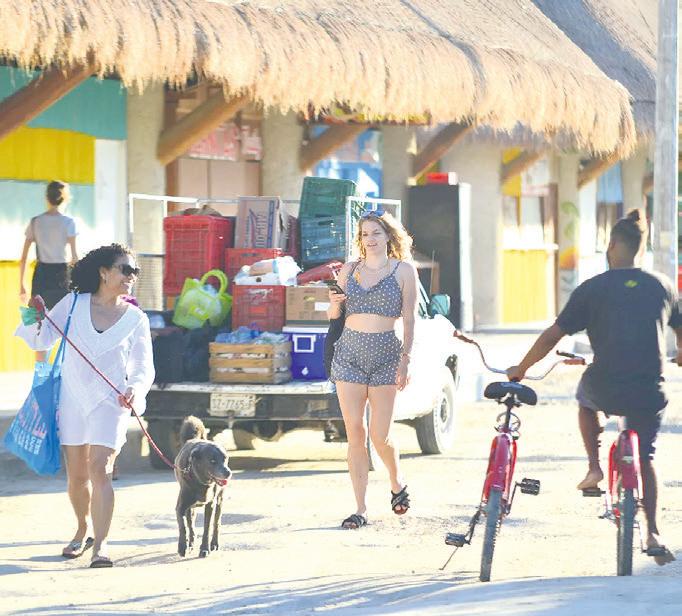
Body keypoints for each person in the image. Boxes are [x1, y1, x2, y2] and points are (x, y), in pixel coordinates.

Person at [507, 210, 679, 565]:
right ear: (641, 248)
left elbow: (552, 336)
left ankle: (594, 467)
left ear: (612, 245)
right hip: (648, 389)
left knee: (585, 397)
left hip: (606, 385)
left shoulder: (593, 288)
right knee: (646, 458)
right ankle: (653, 532)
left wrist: (521, 369)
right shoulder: (663, 286)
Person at [16, 244, 155, 568]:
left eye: (134, 271)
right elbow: (42, 338)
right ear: (104, 272)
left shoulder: (136, 318)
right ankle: (83, 529)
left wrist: (135, 388)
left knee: (101, 469)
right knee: (77, 477)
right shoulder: (73, 304)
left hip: (112, 402)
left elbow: (143, 366)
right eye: (125, 269)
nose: (131, 276)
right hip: (72, 398)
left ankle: (101, 546)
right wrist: (34, 314)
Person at [327, 209, 419, 529]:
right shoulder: (349, 270)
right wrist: (334, 304)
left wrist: (406, 358)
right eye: (365, 234)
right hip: (349, 354)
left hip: (386, 356)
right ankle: (360, 508)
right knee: (355, 432)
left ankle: (396, 481)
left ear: (389, 236)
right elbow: (334, 317)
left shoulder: (404, 271)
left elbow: (410, 319)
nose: (370, 239)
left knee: (380, 436)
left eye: (376, 233)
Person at [19, 180, 78, 363]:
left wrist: (21, 284)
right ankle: (62, 368)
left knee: (38, 325)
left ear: (47, 197)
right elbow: (74, 258)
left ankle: (41, 371)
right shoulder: (68, 222)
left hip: (41, 275)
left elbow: (24, 257)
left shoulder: (36, 222)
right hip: (62, 275)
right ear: (65, 198)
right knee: (66, 324)